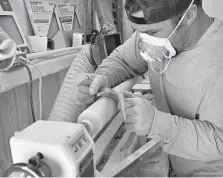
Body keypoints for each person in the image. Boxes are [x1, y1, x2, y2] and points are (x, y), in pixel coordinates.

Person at [76, 0, 223, 176]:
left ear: (189, 16)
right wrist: (103, 76)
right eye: (138, 33)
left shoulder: (217, 60)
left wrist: (156, 124)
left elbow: (219, 139)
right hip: (174, 163)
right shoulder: (153, 33)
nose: (144, 43)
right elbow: (123, 60)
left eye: (152, 33)